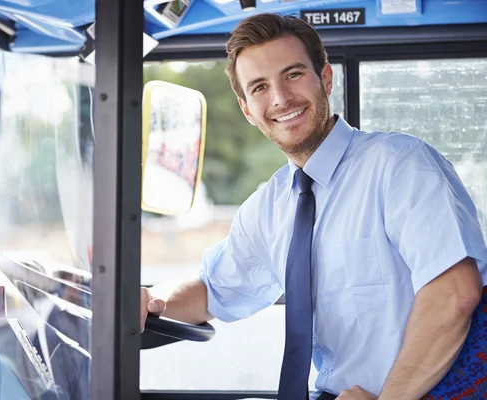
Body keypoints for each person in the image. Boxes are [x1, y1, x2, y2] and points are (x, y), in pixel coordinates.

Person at [140, 13, 487, 400]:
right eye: (259, 87)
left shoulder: (400, 165)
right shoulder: (269, 208)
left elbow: (455, 292)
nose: (280, 99)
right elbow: (212, 289)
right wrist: (150, 299)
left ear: (325, 78)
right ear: (246, 110)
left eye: (292, 75)